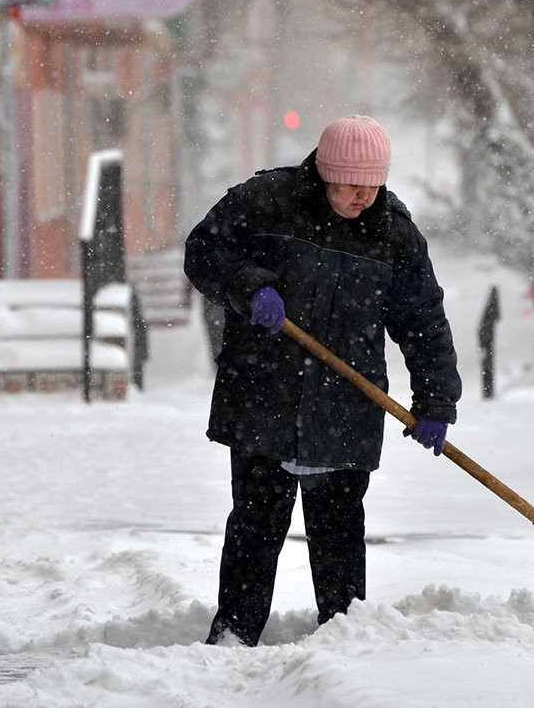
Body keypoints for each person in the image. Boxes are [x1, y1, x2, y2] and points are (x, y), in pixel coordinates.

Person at [184, 114, 462, 647]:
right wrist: (248, 287)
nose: (365, 197)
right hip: (264, 390)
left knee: (338, 527)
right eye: (354, 185)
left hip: (346, 400)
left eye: (374, 185)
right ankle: (235, 632)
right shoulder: (266, 201)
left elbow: (424, 320)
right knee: (256, 521)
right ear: (327, 173)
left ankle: (344, 634)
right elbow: (204, 250)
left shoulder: (393, 234)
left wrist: (435, 402)